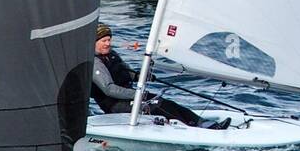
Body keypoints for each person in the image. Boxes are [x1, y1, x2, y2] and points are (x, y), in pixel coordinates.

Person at [92, 23, 229, 129]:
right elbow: (109, 89)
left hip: (132, 97)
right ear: (94, 42)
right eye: (104, 41)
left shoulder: (112, 55)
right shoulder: (95, 62)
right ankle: (197, 126)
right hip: (115, 105)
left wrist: (142, 76)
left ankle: (202, 122)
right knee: (159, 106)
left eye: (109, 40)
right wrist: (137, 94)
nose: (108, 44)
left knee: (168, 103)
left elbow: (128, 73)